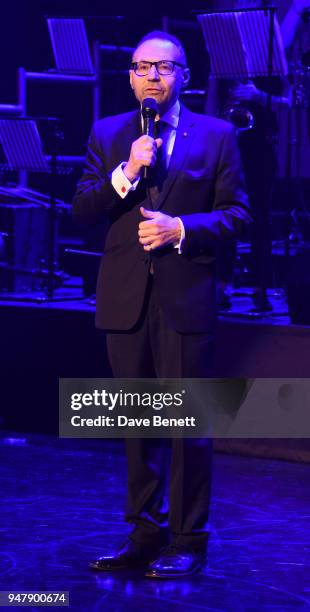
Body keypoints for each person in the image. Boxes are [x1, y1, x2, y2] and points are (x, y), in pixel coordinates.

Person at [73, 30, 251, 579]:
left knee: (186, 425)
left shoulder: (218, 136)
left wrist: (181, 228)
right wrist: (124, 173)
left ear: (184, 77)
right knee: (137, 423)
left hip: (185, 299)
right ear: (129, 76)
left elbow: (239, 215)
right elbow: (82, 209)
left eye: (165, 68)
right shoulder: (108, 135)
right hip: (127, 301)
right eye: (143, 67)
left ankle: (188, 539)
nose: (153, 76)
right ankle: (145, 531)